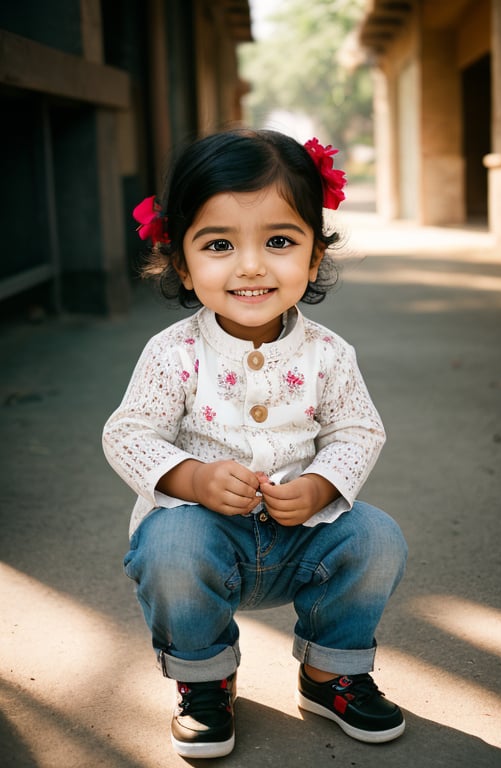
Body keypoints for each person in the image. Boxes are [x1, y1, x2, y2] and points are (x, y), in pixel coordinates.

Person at [102, 129, 408, 759]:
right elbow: (127, 433)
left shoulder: (328, 354)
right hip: (205, 539)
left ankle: (330, 673)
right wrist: (189, 478)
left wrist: (321, 486)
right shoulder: (174, 353)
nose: (250, 265)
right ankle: (206, 679)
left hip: (306, 537)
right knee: (171, 545)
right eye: (219, 244)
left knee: (377, 536)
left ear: (315, 255)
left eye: (279, 241)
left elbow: (358, 430)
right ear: (183, 263)